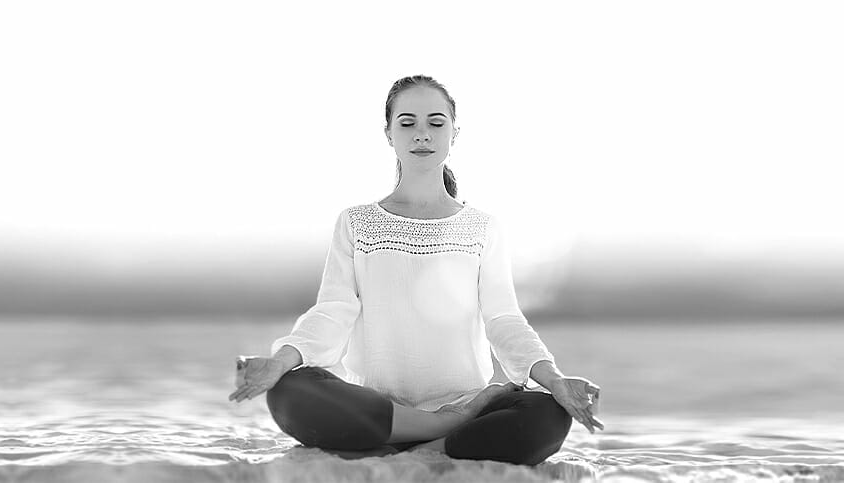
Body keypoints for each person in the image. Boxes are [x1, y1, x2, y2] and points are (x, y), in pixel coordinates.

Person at [227, 75, 603, 466]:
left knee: (548, 414)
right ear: (389, 133)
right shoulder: (356, 222)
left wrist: (556, 381)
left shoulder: (482, 227)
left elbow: (503, 318)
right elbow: (333, 311)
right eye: (407, 123)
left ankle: (417, 437)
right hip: (376, 405)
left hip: (459, 399)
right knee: (290, 390)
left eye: (435, 123)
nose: (421, 134)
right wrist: (281, 361)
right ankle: (442, 430)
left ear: (454, 133)